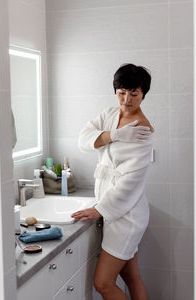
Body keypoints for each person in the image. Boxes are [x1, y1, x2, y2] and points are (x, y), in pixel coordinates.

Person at [71, 63, 154, 300]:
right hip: (114, 210)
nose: (126, 100)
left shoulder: (143, 131)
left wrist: (100, 209)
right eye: (121, 92)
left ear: (143, 94)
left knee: (103, 284)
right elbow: (83, 140)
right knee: (131, 276)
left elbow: (131, 182)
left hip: (126, 216)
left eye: (134, 94)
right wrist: (114, 135)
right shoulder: (109, 114)